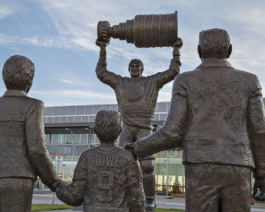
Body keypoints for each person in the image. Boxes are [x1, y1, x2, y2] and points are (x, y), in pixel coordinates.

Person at [126, 28, 265, 212]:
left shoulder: (185, 80)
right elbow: (260, 132)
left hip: (200, 167)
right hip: (238, 166)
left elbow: (172, 132)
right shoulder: (250, 81)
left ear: (199, 51)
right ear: (229, 50)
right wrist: (262, 173)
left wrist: (137, 147)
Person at [95, 38, 182, 211]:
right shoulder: (121, 82)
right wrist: (103, 48)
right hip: (126, 127)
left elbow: (173, 71)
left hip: (144, 127)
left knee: (147, 166)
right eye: (132, 65)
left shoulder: (152, 82)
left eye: (138, 65)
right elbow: (101, 72)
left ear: (142, 69)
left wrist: (176, 50)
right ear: (128, 69)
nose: (135, 68)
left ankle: (149, 199)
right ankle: (118, 198)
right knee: (119, 163)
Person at [0, 55, 61, 212]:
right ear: (29, 80)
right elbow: (36, 149)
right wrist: (54, 181)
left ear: (4, 77)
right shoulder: (34, 106)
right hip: (19, 179)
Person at [55, 110, 145, 212]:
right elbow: (137, 200)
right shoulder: (128, 157)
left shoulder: (86, 156)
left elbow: (75, 196)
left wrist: (57, 184)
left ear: (95, 130)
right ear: (120, 130)